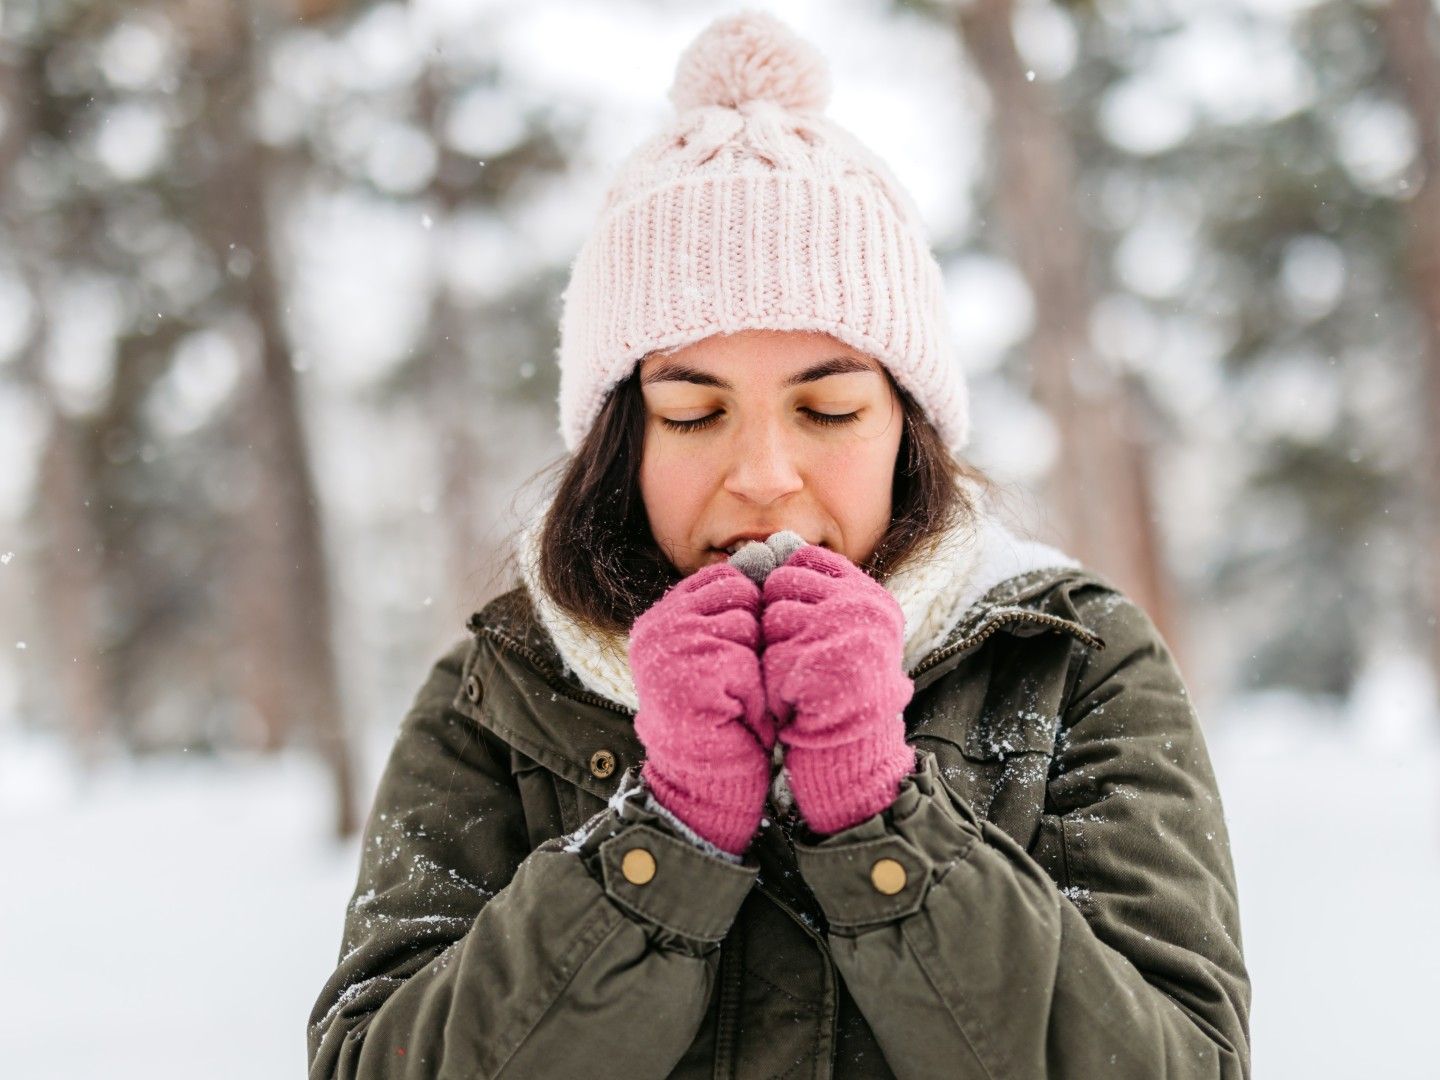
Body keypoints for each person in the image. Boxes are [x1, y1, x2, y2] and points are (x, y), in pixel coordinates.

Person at [306, 9, 1251, 1078]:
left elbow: (1182, 1064)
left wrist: (882, 822)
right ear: (621, 443)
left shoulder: (1068, 661)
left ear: (908, 429)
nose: (762, 474)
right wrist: (664, 839)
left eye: (831, 410)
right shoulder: (501, 690)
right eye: (695, 414)